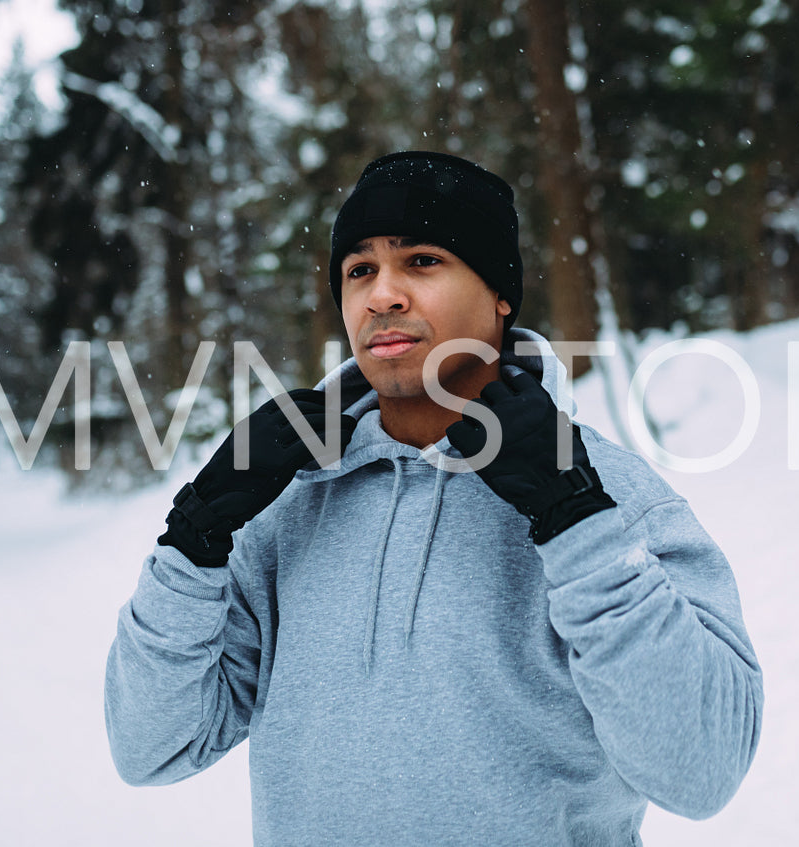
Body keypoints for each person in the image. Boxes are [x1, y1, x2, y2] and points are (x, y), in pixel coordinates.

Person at [104, 151, 763, 844]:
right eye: (359, 269)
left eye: (421, 260)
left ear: (501, 293)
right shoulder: (285, 503)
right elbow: (152, 746)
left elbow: (700, 772)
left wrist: (576, 523)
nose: (381, 295)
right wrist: (194, 537)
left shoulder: (614, 495)